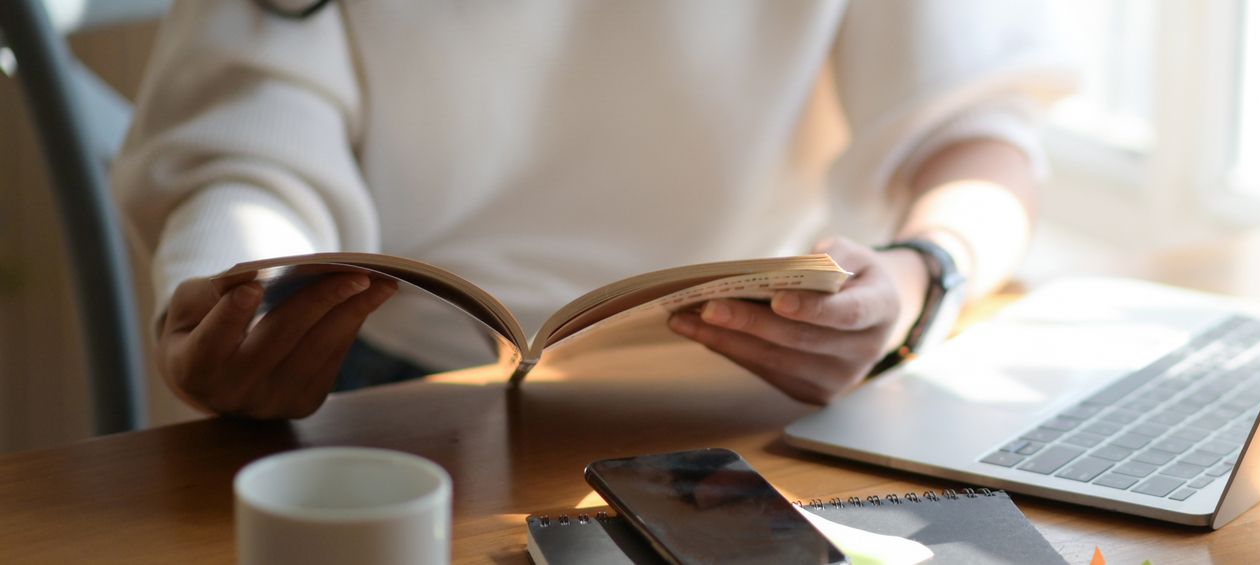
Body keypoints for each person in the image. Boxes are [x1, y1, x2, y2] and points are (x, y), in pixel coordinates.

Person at [111, 0, 1073, 419]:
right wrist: (245, 295)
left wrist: (918, 276)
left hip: (757, 376)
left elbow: (975, 135)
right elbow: (245, 155)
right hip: (381, 385)